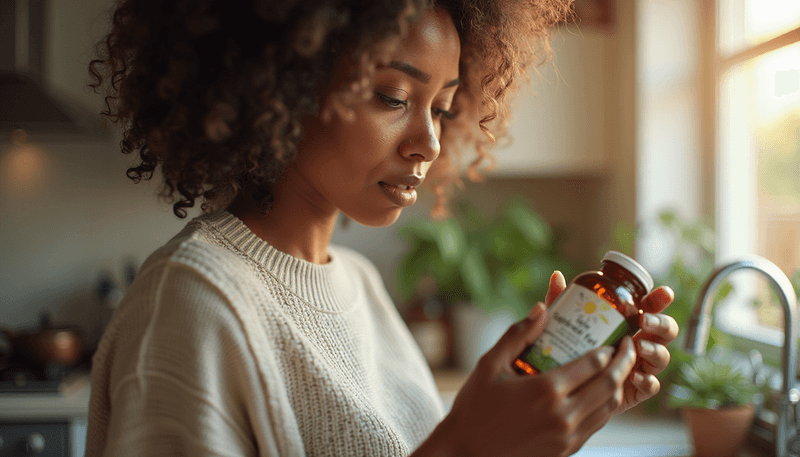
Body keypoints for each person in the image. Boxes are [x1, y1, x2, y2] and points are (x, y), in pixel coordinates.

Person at [84, 0, 679, 456]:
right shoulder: (192, 301)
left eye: (443, 107)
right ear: (282, 90)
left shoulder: (361, 285)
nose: (430, 141)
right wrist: (464, 447)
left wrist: (538, 427)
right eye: (394, 97)